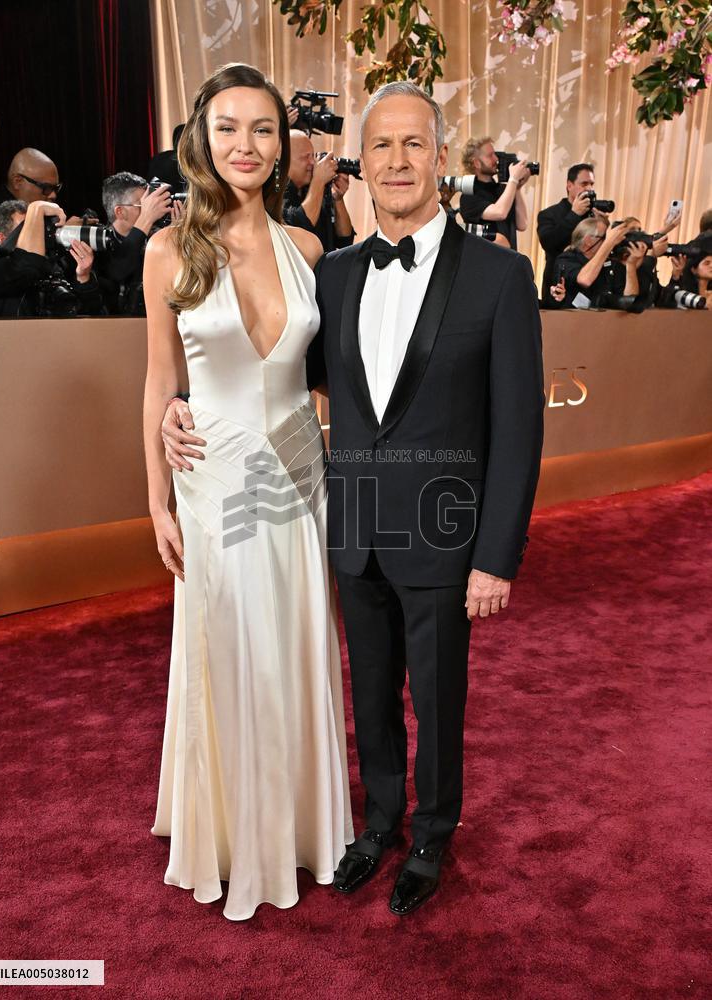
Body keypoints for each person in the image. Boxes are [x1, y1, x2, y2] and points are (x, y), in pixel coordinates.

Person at [163, 81, 545, 916]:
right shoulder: (330, 272)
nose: (398, 161)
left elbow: (518, 427)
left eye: (415, 145)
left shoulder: (499, 275)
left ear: (441, 159)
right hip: (350, 521)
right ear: (358, 163)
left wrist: (495, 557)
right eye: (381, 146)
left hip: (448, 532)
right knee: (368, 691)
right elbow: (274, 381)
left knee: (437, 697)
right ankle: (376, 825)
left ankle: (433, 834)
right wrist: (178, 406)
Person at [142, 62, 353, 922]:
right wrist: (154, 499)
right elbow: (159, 382)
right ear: (202, 137)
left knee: (297, 640)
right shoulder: (169, 248)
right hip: (212, 471)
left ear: (284, 145)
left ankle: (301, 827)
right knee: (228, 646)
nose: (245, 144)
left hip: (301, 474)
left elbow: (327, 376)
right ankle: (233, 834)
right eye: (228, 127)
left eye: (263, 129)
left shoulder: (308, 250)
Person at [0, 198, 103, 317]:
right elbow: (28, 264)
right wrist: (37, 207)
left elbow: (92, 318)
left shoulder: (55, 264)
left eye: (39, 227)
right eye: (28, 230)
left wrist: (83, 277)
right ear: (2, 239)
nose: (38, 235)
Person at [96, 172, 175, 315]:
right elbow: (118, 270)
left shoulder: (156, 238)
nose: (150, 209)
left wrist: (178, 236)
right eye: (143, 205)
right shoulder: (99, 242)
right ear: (120, 212)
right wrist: (146, 218)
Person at [282, 129, 355, 252]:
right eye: (305, 157)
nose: (313, 162)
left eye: (312, 155)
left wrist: (338, 199)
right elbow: (300, 228)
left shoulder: (315, 188)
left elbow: (345, 240)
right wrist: (319, 180)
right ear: (285, 160)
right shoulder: (274, 194)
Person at [551, 217, 646, 309]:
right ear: (588, 241)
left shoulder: (610, 263)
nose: (610, 241)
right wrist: (609, 243)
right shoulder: (567, 259)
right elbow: (585, 280)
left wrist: (631, 265)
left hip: (605, 322)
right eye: (605, 237)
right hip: (571, 321)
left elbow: (630, 300)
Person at [537, 162, 598, 302]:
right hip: (558, 285)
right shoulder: (548, 214)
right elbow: (549, 243)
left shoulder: (593, 215)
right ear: (569, 185)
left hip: (589, 286)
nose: (589, 189)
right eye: (584, 184)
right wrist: (574, 214)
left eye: (591, 184)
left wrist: (602, 222)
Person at [457, 135, 530, 249]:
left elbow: (522, 224)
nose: (496, 159)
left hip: (510, 261)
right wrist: (513, 180)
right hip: (486, 263)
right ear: (476, 163)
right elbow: (500, 213)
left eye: (495, 154)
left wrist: (517, 188)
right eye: (490, 155)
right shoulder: (469, 195)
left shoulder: (503, 189)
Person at [0, 148, 61, 245]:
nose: (53, 195)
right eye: (46, 188)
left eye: (56, 188)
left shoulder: (49, 213)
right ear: (18, 182)